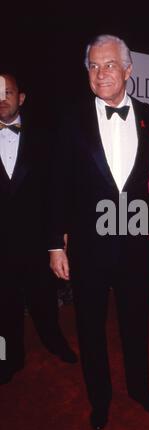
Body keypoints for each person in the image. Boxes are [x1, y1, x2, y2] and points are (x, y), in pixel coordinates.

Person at [49, 35, 149, 430]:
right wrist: (54, 244)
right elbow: (57, 185)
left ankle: (140, 390)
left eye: (109, 64)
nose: (101, 74)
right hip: (88, 246)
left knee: (136, 322)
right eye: (94, 67)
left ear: (129, 70)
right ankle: (100, 400)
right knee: (89, 327)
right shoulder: (70, 119)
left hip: (137, 244)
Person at [0, 73, 77, 385]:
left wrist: (56, 238)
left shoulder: (45, 137)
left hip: (36, 241)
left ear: (22, 97)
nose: (1, 98)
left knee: (44, 299)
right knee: (3, 306)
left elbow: (56, 191)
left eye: (8, 92)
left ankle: (54, 340)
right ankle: (7, 357)